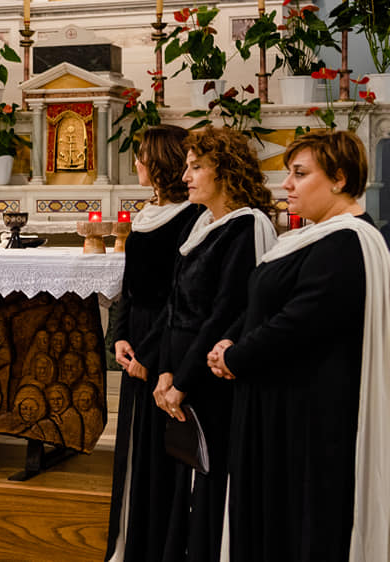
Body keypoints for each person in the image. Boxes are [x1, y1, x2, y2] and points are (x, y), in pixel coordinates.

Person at [207, 131, 390, 562]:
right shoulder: (316, 237)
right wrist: (232, 341)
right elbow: (266, 307)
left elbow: (299, 322)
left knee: (300, 525)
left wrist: (234, 356)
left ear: (340, 179)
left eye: (300, 174)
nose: (286, 184)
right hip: (279, 406)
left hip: (309, 419)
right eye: (288, 173)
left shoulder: (346, 241)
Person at [150, 126, 277, 562]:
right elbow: (176, 306)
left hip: (213, 374)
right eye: (187, 166)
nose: (186, 175)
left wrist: (182, 380)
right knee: (190, 478)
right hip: (185, 369)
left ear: (224, 171)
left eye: (197, 166)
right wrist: (165, 371)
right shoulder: (204, 223)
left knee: (214, 474)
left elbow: (225, 313)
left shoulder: (247, 226)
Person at [105, 125, 201, 562]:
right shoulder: (146, 214)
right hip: (138, 334)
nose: (137, 163)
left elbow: (181, 295)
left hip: (164, 339)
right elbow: (131, 284)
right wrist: (120, 334)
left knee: (160, 449)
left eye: (142, 156)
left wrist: (151, 354)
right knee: (134, 446)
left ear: (161, 162)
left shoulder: (192, 217)